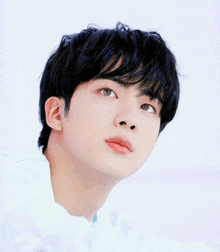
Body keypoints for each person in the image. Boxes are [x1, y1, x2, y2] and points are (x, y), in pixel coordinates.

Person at [3, 22, 205, 251]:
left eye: (148, 107)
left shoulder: (107, 230)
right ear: (56, 113)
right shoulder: (8, 189)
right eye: (108, 92)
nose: (129, 120)